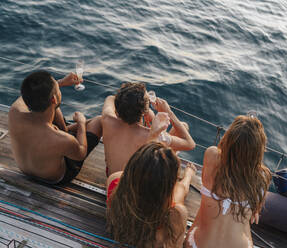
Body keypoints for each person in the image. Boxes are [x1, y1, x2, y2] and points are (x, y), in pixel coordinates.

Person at [185, 115, 271, 248]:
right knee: (246, 224)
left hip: (199, 244)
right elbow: (254, 214)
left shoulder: (211, 155)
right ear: (258, 151)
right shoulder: (262, 177)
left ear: (228, 139)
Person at [8, 70, 102, 184]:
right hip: (55, 178)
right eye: (57, 89)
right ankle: (73, 128)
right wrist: (81, 123)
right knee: (98, 121)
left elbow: (33, 96)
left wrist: (61, 82)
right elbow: (81, 154)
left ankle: (67, 129)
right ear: (54, 98)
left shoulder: (14, 111)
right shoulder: (63, 140)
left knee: (54, 108)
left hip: (26, 170)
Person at [106, 142, 197, 248]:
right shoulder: (176, 214)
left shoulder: (114, 181)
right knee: (180, 191)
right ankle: (188, 175)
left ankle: (188, 176)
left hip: (125, 233)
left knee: (180, 191)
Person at [101, 82, 195, 177]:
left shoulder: (107, 118)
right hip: (132, 186)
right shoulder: (153, 136)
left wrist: (141, 108)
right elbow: (190, 144)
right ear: (143, 111)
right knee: (183, 126)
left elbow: (110, 98)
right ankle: (188, 175)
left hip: (112, 178)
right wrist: (168, 112)